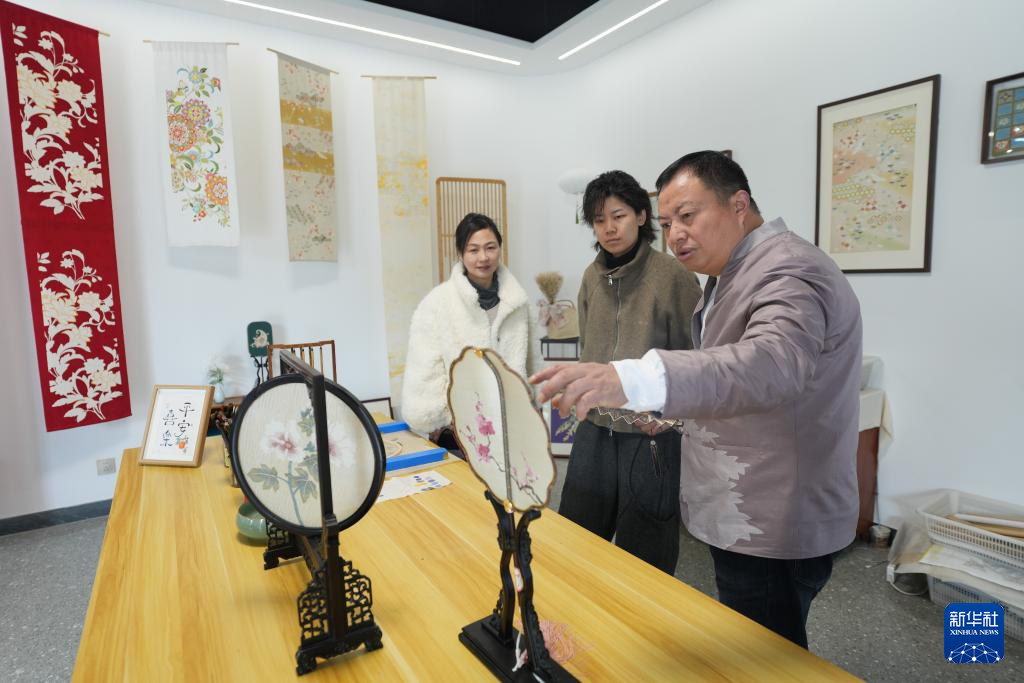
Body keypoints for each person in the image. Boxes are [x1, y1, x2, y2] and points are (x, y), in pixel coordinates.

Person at [532, 151, 862, 649]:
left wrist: (632, 378)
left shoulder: (788, 270)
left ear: (738, 205)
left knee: (764, 654)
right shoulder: (729, 276)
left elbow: (770, 364)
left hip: (773, 516)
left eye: (688, 216)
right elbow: (723, 382)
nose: (676, 234)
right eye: (669, 223)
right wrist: (672, 416)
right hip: (736, 503)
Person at [558, 170, 701, 574]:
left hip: (649, 431)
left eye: (618, 216)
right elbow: (588, 349)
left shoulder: (673, 276)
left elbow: (696, 360)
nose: (609, 228)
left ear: (641, 215)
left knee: (646, 553)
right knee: (575, 538)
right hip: (596, 428)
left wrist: (671, 422)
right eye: (599, 220)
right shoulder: (591, 277)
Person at [401, 213, 534, 449]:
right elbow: (425, 370)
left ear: (500, 249)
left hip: (512, 426)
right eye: (473, 250)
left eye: (490, 247)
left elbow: (531, 365)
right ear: (461, 254)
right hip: (458, 430)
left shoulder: (517, 302)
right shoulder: (437, 303)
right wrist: (448, 417)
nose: (483, 257)